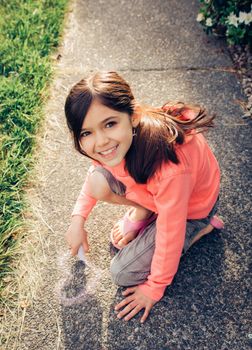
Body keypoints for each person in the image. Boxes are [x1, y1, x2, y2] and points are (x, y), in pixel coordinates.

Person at [64, 71, 224, 323]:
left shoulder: (169, 170)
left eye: (110, 124)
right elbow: (95, 172)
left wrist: (154, 288)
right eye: (87, 133)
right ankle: (146, 210)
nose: (101, 141)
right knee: (98, 181)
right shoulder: (119, 143)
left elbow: (170, 234)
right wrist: (77, 220)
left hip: (193, 209)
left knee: (121, 272)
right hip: (167, 195)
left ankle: (199, 229)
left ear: (133, 115)